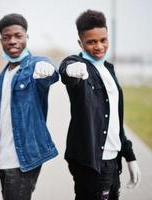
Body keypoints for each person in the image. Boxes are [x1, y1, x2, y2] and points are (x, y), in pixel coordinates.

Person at [59, 10, 141, 200]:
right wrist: (70, 69)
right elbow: (65, 70)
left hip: (113, 162)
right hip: (92, 164)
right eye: (91, 42)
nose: (99, 46)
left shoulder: (109, 69)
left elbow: (114, 121)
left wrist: (130, 156)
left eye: (103, 40)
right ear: (80, 43)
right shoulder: (79, 66)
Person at [0, 13, 59, 200]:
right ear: (1, 40)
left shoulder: (34, 67)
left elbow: (49, 72)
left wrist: (47, 69)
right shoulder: (0, 79)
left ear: (26, 37)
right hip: (2, 162)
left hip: (22, 161)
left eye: (18, 36)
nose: (12, 41)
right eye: (7, 37)